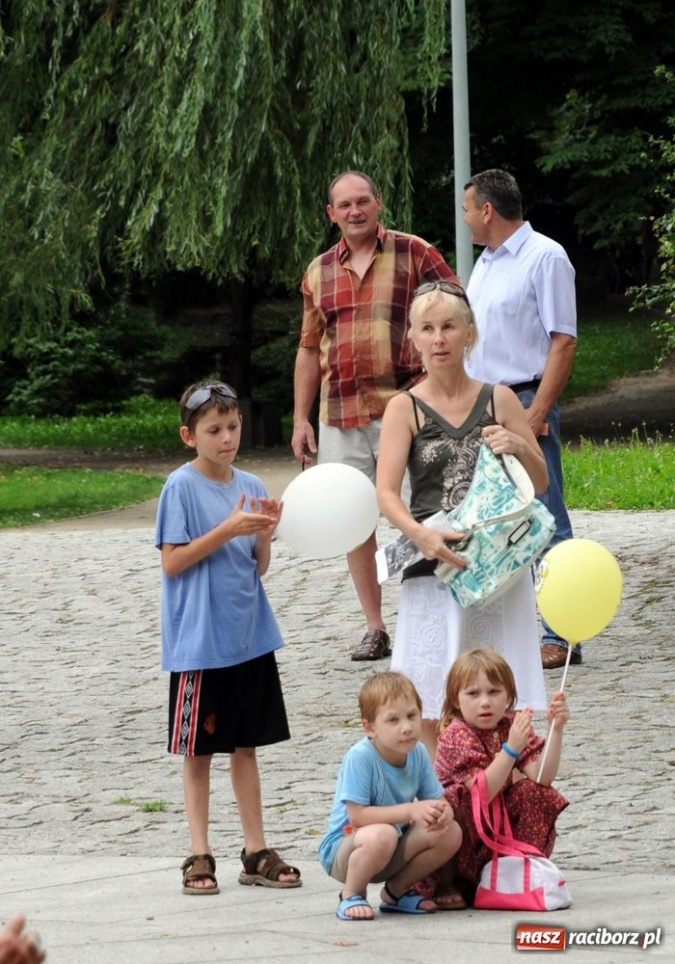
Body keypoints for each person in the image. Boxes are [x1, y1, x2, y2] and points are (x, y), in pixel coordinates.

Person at [377, 282, 549, 759]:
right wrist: (420, 534)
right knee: (430, 694)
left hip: (498, 567)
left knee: (501, 685)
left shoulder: (499, 399)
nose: (439, 339)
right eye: (427, 329)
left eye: (449, 327)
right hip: (436, 564)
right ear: (412, 338)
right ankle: (445, 786)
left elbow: (540, 484)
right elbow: (386, 492)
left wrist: (518, 446)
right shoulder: (403, 408)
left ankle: (505, 786)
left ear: (469, 333)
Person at [292, 170, 458, 662]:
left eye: (363, 201)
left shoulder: (416, 252)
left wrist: (449, 394)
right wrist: (301, 419)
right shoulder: (317, 271)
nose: (355, 211)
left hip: (409, 408)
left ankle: (437, 611)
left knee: (426, 512)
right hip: (340, 412)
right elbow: (307, 349)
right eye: (344, 205)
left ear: (378, 204)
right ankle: (375, 627)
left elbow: (459, 316)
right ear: (331, 213)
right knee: (353, 523)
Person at [156, 381, 301, 894]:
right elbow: (173, 562)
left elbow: (257, 568)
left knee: (247, 746)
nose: (226, 438)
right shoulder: (180, 487)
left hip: (250, 637)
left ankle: (255, 848)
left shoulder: (252, 481)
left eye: (233, 427)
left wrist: (262, 533)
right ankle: (199, 851)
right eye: (213, 430)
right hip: (200, 643)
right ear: (189, 435)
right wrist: (230, 527)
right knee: (199, 752)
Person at [462, 169, 579, 671]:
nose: (465, 217)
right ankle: (507, 628)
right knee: (495, 518)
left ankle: (562, 631)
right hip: (482, 403)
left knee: (545, 514)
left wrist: (533, 415)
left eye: (468, 208)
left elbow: (563, 339)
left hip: (524, 399)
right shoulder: (485, 262)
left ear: (487, 210)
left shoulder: (545, 256)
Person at [318, 671, 462, 920]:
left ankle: (396, 891)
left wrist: (442, 813)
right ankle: (351, 892)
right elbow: (358, 816)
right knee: (382, 833)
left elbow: (439, 801)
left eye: (411, 716)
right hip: (347, 848)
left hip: (391, 844)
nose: (406, 727)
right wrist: (410, 811)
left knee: (450, 831)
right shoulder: (360, 757)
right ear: (370, 727)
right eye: (393, 720)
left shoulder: (417, 752)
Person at [432, 648, 569, 906]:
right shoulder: (456, 733)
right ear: (455, 700)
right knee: (452, 807)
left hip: (496, 828)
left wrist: (555, 729)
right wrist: (510, 750)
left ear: (508, 696)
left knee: (534, 792)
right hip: (464, 834)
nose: (485, 702)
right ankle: (448, 882)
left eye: (494, 692)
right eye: (473, 693)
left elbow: (542, 777)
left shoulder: (509, 724)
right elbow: (480, 794)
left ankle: (516, 869)